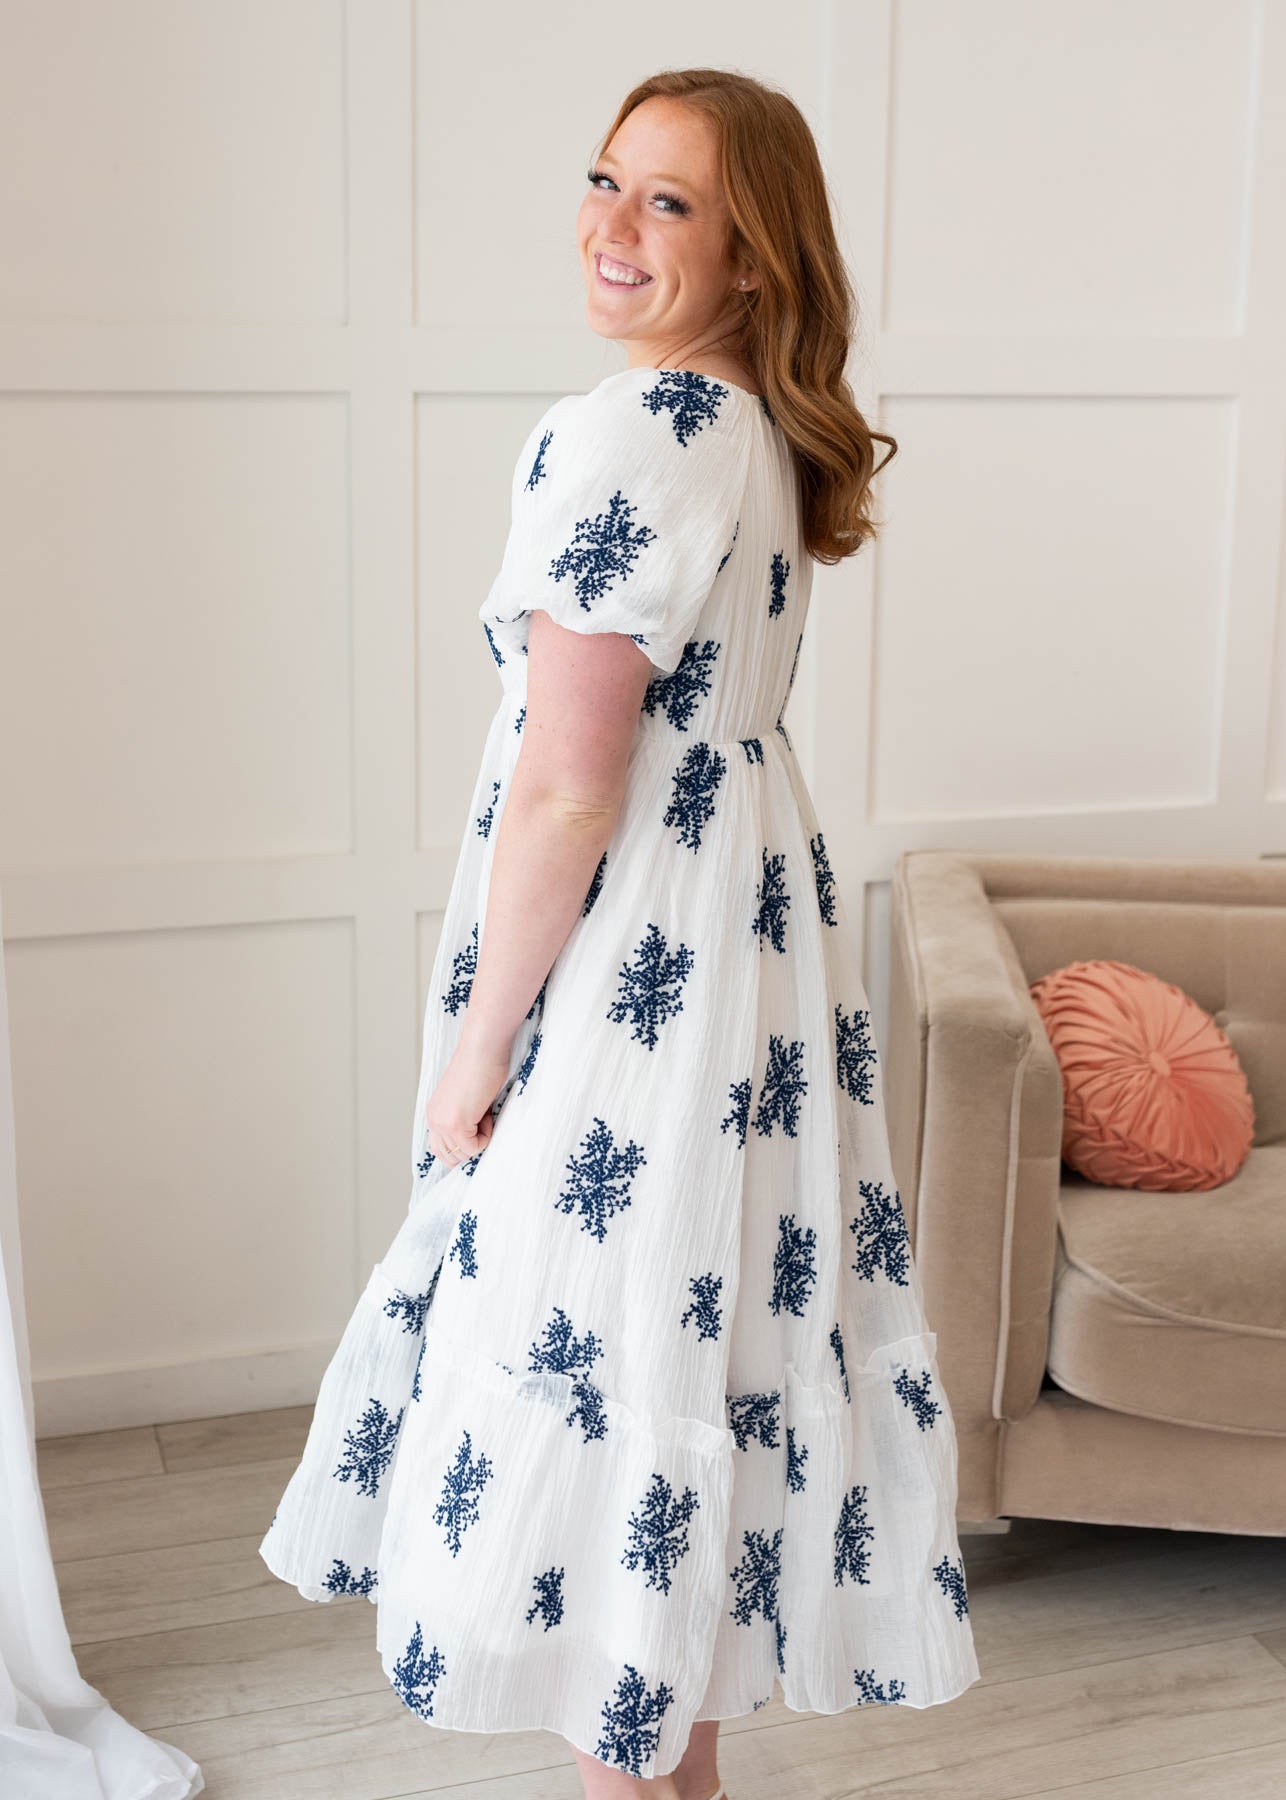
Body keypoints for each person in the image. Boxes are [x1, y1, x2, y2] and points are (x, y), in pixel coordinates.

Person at [260, 67, 980, 1800]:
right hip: (738, 951)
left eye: (667, 203)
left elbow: (572, 792)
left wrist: (482, 1047)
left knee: (597, 1339)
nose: (608, 227)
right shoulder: (747, 431)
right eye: (603, 180)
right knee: (682, 1341)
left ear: (753, 255)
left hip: (629, 967)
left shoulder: (639, 429)